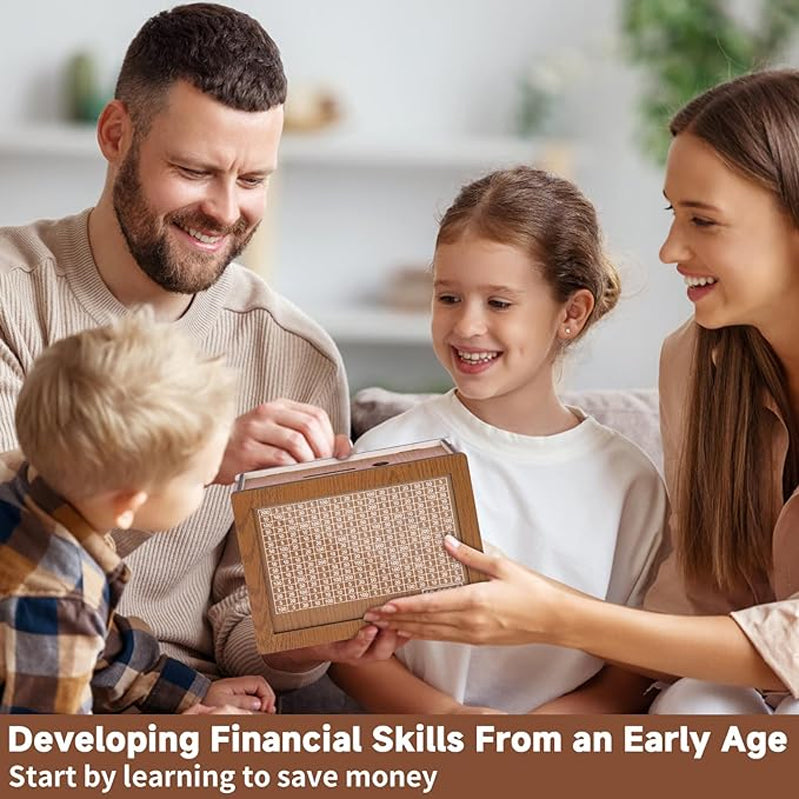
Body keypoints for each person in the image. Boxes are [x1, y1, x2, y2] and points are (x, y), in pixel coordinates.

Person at [362, 70, 799, 716]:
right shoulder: (699, 364)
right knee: (698, 705)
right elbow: (696, 602)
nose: (669, 249)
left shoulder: (620, 478)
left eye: (703, 221)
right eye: (673, 214)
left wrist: (552, 616)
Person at [0, 3, 398, 699]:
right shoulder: (12, 295)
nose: (225, 209)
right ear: (115, 134)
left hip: (194, 696)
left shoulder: (294, 354)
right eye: (193, 170)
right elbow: (10, 543)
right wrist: (192, 457)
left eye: (253, 180)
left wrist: (313, 635)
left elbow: (246, 634)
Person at [330, 166, 667, 713]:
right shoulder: (388, 455)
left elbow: (630, 668)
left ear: (572, 313)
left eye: (499, 303)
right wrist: (452, 720)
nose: (466, 326)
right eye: (449, 298)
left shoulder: (630, 482)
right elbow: (347, 651)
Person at [0, 312, 276, 714]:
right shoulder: (53, 604)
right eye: (200, 479)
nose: (213, 479)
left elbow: (102, 644)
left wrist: (193, 694)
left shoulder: (28, 479)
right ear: (128, 504)